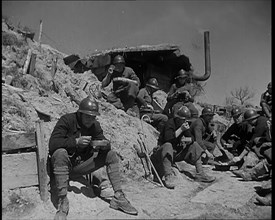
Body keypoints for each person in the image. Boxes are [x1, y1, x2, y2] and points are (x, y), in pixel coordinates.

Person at [49, 96, 138, 220]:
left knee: (111, 154)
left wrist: (105, 144)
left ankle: (118, 197)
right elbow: (53, 144)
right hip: (64, 165)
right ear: (80, 113)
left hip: (80, 167)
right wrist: (75, 142)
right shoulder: (67, 120)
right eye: (88, 116)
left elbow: (103, 140)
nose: (91, 120)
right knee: (60, 153)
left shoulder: (94, 125)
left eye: (93, 117)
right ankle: (62, 201)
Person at [150, 104, 216, 189]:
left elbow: (192, 138)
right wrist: (181, 129)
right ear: (178, 118)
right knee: (168, 145)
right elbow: (168, 139)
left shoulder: (184, 125)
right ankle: (168, 176)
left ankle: (200, 174)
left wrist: (188, 139)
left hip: (175, 154)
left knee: (195, 146)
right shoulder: (170, 123)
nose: (185, 122)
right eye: (183, 120)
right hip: (163, 154)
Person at [231, 109, 272, 181]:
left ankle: (248, 171)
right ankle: (245, 169)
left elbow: (251, 142)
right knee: (257, 144)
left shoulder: (261, 124)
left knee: (256, 148)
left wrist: (240, 157)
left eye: (249, 121)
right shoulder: (261, 121)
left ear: (252, 119)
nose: (249, 123)